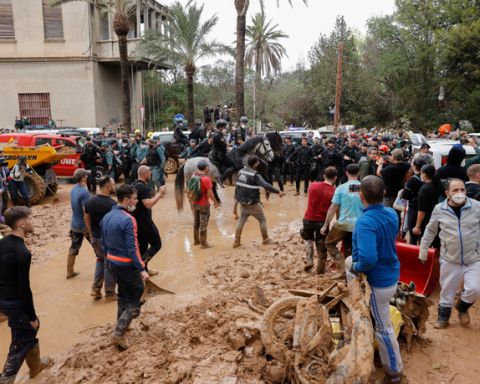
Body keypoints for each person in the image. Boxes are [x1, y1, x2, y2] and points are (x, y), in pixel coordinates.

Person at [345, 176, 405, 384]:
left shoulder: (364, 222)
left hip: (379, 283)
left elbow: (369, 258)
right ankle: (358, 297)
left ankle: (395, 373)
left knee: (384, 328)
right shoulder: (391, 213)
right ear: (384, 194)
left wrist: (358, 267)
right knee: (347, 260)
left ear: (360, 195)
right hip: (391, 272)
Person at [419, 179, 480, 329]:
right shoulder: (439, 209)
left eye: (462, 189)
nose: (460, 193)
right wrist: (423, 249)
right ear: (447, 193)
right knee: (448, 289)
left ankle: (462, 307)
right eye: (455, 190)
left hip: (473, 257)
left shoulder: (476, 206)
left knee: (474, 289)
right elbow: (431, 230)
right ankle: (443, 317)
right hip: (449, 258)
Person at [0, 207, 51, 383]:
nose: (33, 222)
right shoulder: (23, 253)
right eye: (32, 219)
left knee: (25, 332)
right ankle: (6, 378)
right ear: (22, 224)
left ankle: (36, 368)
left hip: (3, 299)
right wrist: (32, 316)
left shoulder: (3, 242)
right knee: (22, 340)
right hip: (15, 301)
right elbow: (24, 288)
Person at [101, 185, 149, 350]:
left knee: (122, 293)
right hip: (126, 265)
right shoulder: (129, 219)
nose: (136, 202)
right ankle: (119, 332)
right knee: (137, 297)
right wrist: (142, 268)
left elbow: (103, 244)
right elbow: (133, 248)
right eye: (135, 199)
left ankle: (123, 323)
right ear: (127, 199)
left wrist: (108, 263)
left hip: (112, 263)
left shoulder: (106, 217)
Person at [233, 156, 285, 248]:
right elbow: (266, 185)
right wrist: (278, 191)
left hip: (242, 201)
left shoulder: (241, 171)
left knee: (241, 221)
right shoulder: (255, 175)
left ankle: (236, 241)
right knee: (262, 219)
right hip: (252, 202)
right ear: (256, 164)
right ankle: (265, 239)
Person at [321, 164, 363, 276]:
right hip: (359, 225)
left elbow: (332, 208)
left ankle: (341, 268)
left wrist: (325, 225)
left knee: (329, 243)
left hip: (343, 224)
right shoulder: (363, 187)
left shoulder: (341, 188)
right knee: (351, 248)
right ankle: (352, 273)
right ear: (358, 173)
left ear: (346, 173)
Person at [84, 176, 117, 302]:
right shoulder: (112, 205)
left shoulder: (89, 201)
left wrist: (91, 233)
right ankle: (110, 293)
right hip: (107, 240)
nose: (115, 187)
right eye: (113, 184)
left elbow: (86, 218)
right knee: (109, 263)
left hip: (95, 238)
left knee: (99, 260)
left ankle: (96, 289)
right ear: (108, 187)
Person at [131, 166, 166, 276]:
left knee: (143, 246)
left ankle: (144, 270)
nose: (150, 176)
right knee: (157, 244)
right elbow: (148, 204)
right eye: (150, 174)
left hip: (135, 222)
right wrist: (160, 194)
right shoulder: (143, 188)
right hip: (145, 222)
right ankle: (139, 267)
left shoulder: (133, 185)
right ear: (145, 174)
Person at [301, 166, 337, 273]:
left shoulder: (312, 185)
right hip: (322, 222)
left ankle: (309, 260)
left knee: (307, 239)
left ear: (324, 176)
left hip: (308, 219)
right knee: (321, 247)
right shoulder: (335, 191)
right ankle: (320, 270)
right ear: (335, 178)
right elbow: (333, 210)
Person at [67, 169, 93, 279]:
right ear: (83, 178)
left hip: (74, 224)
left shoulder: (73, 189)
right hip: (85, 226)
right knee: (99, 248)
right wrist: (91, 230)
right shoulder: (85, 192)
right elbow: (86, 212)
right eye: (86, 175)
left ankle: (69, 273)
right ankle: (107, 271)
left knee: (73, 248)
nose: (88, 176)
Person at [377, 148, 412, 222]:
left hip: (390, 195)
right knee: (397, 214)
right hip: (400, 194)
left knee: (386, 215)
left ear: (393, 157)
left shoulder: (390, 168)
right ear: (402, 156)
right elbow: (399, 166)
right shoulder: (407, 165)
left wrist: (380, 163)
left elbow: (379, 173)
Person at [189, 160, 218, 248]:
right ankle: (204, 243)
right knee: (203, 224)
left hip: (194, 202)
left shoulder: (193, 175)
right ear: (206, 168)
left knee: (196, 222)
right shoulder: (206, 179)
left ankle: (196, 241)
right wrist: (215, 202)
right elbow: (211, 193)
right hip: (203, 204)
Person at [412, 165, 439, 243]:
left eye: (421, 173)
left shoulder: (424, 190)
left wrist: (417, 226)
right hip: (437, 220)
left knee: (425, 245)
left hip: (427, 222)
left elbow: (422, 210)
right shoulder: (437, 185)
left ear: (424, 175)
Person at [403, 158, 426, 245]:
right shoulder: (430, 178)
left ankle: (413, 256)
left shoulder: (412, 179)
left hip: (414, 208)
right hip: (427, 209)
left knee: (413, 237)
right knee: (424, 236)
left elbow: (406, 196)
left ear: (415, 167)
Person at [209, 119, 236, 188]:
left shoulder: (219, 134)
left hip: (219, 151)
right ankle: (221, 178)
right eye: (224, 127)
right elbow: (225, 146)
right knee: (234, 165)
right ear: (220, 127)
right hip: (219, 154)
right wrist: (227, 141)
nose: (225, 128)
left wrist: (231, 145)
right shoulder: (218, 136)